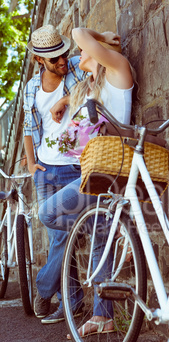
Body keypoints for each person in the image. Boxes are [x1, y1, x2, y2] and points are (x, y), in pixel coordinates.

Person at [38, 27, 134, 336]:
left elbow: (78, 34)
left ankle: (116, 230)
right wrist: (63, 100)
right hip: (91, 173)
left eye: (83, 51)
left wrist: (99, 37)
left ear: (98, 50)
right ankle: (103, 316)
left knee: (48, 213)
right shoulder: (93, 86)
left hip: (110, 170)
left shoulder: (119, 70)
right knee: (96, 238)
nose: (77, 54)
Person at [23, 25, 89, 324]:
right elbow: (27, 126)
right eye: (54, 61)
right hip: (45, 170)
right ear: (39, 60)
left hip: (74, 166)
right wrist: (30, 163)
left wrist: (65, 99)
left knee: (64, 239)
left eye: (63, 55)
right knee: (59, 238)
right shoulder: (30, 88)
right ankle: (71, 305)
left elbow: (96, 75)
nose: (62, 62)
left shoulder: (76, 67)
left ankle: (44, 288)